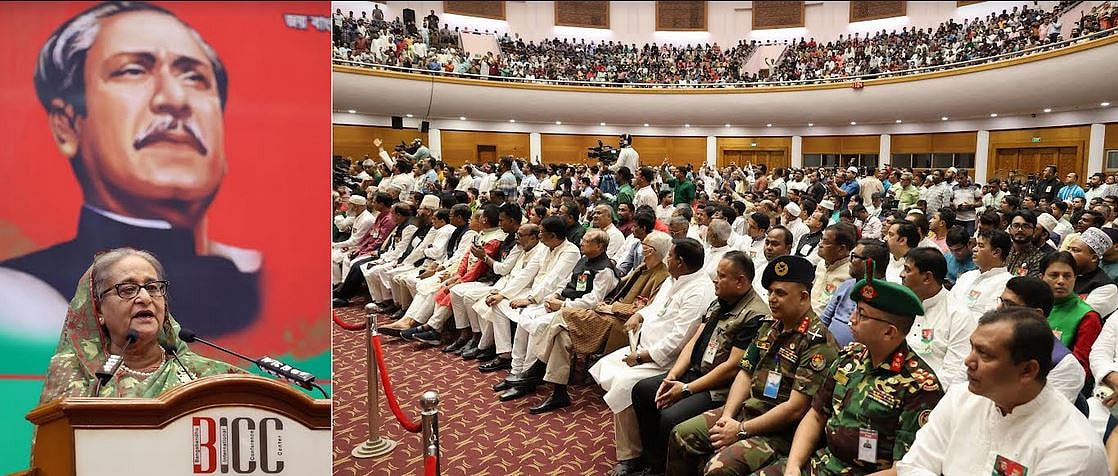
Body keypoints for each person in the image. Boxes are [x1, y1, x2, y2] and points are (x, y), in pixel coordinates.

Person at [1, 2, 262, 338]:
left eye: (195, 76)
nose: (175, 98)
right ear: (66, 125)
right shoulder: (22, 296)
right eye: (133, 71)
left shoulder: (260, 280)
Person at [754, 258, 943, 475]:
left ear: (889, 332)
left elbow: (904, 469)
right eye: (855, 310)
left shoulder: (919, 386)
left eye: (861, 315)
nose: (851, 319)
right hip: (821, 463)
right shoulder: (849, 358)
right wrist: (794, 466)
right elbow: (816, 415)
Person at [666, 255, 839, 476]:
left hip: (779, 431)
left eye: (781, 293)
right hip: (747, 410)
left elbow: (795, 409)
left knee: (719, 469)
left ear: (803, 297)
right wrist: (728, 416)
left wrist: (739, 430)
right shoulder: (770, 325)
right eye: (770, 293)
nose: (772, 299)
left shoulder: (818, 342)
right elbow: (745, 372)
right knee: (681, 433)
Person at [895, 307, 1108, 476]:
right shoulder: (960, 397)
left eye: (984, 354)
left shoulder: (1073, 448)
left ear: (1027, 370)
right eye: (972, 348)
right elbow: (914, 466)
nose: (968, 361)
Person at [617, 252, 769, 475]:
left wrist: (686, 389)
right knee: (643, 391)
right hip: (693, 373)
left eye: (722, 275)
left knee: (671, 417)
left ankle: (665, 469)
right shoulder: (720, 301)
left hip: (718, 387)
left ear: (741, 282)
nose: (715, 280)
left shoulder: (755, 315)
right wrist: (673, 376)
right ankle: (653, 462)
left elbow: (733, 367)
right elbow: (694, 341)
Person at [41, 248, 243, 401]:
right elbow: (55, 448)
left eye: (153, 287)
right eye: (128, 289)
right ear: (98, 310)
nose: (145, 298)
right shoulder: (73, 373)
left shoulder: (203, 375)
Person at [590, 238, 716, 457]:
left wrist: (642, 357)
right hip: (644, 346)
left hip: (665, 360)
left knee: (623, 385)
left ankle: (631, 454)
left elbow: (680, 338)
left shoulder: (699, 291)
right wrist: (639, 314)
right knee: (606, 364)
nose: (667, 259)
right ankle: (635, 432)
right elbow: (655, 308)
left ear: (681, 262)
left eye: (670, 256)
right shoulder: (674, 278)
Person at [900, 248, 976, 391]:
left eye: (907, 270)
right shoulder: (900, 305)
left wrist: (917, 393)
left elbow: (954, 373)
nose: (901, 274)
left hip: (929, 394)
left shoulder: (958, 315)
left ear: (927, 278)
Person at [1000, 277, 1086, 402]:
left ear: (1036, 315)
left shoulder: (1065, 365)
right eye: (1001, 301)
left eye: (1009, 305)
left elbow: (1046, 415)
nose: (999, 309)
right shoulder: (994, 341)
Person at [1042, 251, 1103, 377]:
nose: (1061, 281)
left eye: (1067, 276)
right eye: (1054, 275)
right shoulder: (1031, 304)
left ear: (1075, 279)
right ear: (1041, 277)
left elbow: (1081, 370)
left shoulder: (1088, 317)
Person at [820, 239, 890, 347]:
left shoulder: (886, 297)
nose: (850, 260)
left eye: (854, 256)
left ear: (869, 263)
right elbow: (824, 320)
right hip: (827, 348)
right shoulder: (847, 285)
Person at [951, 229, 1012, 319]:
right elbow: (948, 304)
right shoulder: (966, 276)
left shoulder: (1007, 283)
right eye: (976, 245)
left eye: (981, 246)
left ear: (996, 252)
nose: (974, 249)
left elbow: (993, 319)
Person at [811, 223, 855, 316]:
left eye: (825, 242)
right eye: (821, 239)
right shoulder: (821, 264)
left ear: (841, 249)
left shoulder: (850, 274)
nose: (820, 244)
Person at [1005, 210, 1046, 278]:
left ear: (1034, 230)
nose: (1020, 229)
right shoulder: (1003, 251)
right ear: (1010, 229)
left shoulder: (1039, 258)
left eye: (1026, 226)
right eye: (1016, 226)